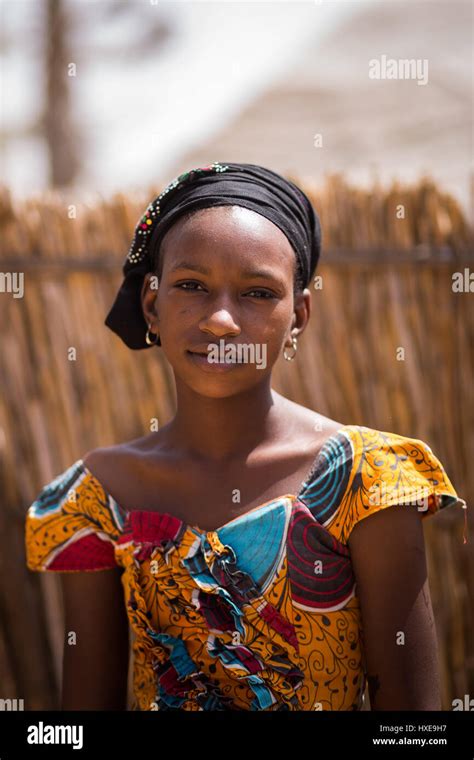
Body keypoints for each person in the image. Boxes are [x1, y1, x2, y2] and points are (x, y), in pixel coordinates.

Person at [25, 161, 468, 712]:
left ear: (299, 316)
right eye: (191, 286)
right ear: (151, 306)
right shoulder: (99, 495)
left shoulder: (367, 480)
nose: (222, 321)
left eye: (258, 293)